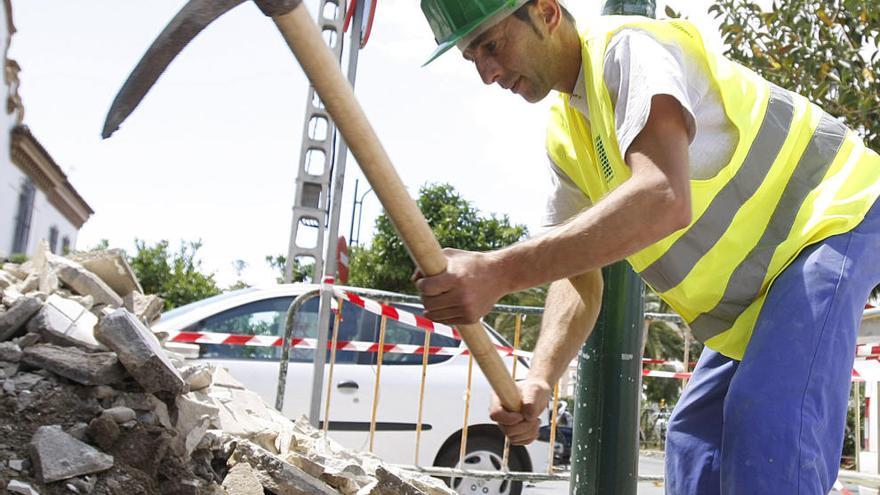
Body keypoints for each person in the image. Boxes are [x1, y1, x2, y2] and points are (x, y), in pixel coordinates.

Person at [415, 0, 880, 493]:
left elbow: (663, 196)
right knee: (696, 440)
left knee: (769, 418)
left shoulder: (628, 50)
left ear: (547, 13)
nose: (487, 72)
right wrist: (540, 378)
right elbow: (580, 281)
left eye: (492, 44)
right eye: (472, 58)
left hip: (835, 213)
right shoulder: (565, 135)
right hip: (768, 283)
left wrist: (498, 271)